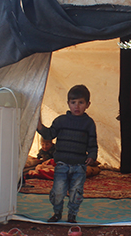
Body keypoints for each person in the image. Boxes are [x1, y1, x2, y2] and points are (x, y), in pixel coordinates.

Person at [36, 84, 98, 223]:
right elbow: (50, 134)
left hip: (79, 166)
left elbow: (92, 143)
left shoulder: (89, 123)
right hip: (62, 165)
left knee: (76, 192)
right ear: (68, 103)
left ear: (87, 104)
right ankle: (57, 213)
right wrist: (39, 126)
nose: (77, 106)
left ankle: (72, 215)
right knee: (58, 191)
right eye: (73, 102)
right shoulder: (61, 120)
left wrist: (92, 156)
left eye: (81, 102)